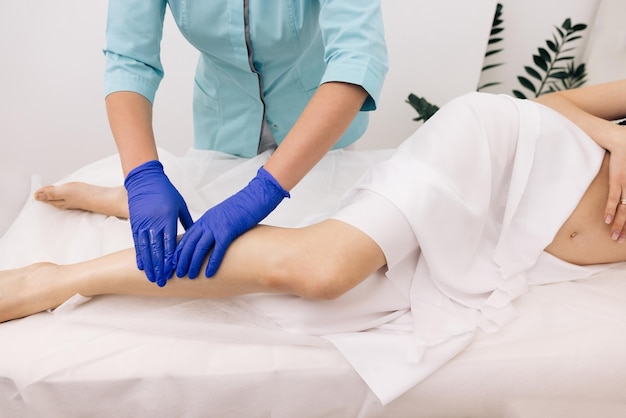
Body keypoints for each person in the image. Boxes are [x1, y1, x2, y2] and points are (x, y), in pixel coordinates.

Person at [3, 79, 626, 403]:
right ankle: (55, 279)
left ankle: (166, 219)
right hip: (499, 154)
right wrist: (614, 135)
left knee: (337, 304)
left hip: (509, 240)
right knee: (324, 273)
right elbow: (548, 102)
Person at [34, 1, 389, 288]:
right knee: (204, 223)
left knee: (302, 234)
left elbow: (356, 58)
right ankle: (116, 208)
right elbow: (129, 60)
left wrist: (263, 192)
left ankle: (60, 278)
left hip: (318, 129)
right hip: (225, 123)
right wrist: (141, 175)